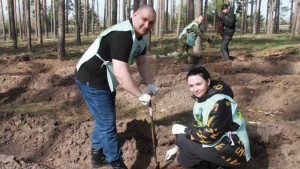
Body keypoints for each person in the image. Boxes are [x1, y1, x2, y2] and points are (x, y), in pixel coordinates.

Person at [74, 5, 159, 169]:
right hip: (91, 77)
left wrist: (150, 83)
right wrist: (139, 95)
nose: (147, 25)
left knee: (104, 117)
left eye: (151, 23)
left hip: (105, 78)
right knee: (107, 122)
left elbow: (142, 61)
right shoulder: (122, 35)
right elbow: (120, 72)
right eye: (144, 20)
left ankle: (97, 155)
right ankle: (115, 162)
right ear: (135, 15)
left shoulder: (140, 37)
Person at [165, 66, 251, 169]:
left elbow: (209, 135)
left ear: (208, 82)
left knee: (183, 141)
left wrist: (184, 131)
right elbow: (194, 126)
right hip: (221, 144)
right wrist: (176, 148)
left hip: (233, 150)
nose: (195, 89)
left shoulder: (221, 102)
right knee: (183, 151)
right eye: (191, 86)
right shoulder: (201, 100)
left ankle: (219, 166)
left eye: (198, 84)